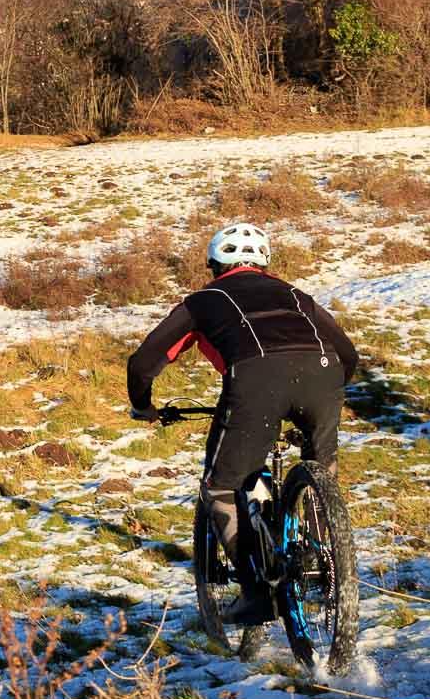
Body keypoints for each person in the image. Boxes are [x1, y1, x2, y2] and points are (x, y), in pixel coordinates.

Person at [127, 222, 358, 626]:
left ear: (215, 265)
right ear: (266, 264)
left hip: (255, 381)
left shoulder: (202, 301)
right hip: (324, 375)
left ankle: (254, 592)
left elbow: (144, 363)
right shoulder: (296, 296)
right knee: (323, 466)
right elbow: (348, 354)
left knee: (220, 485)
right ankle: (327, 561)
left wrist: (144, 408)